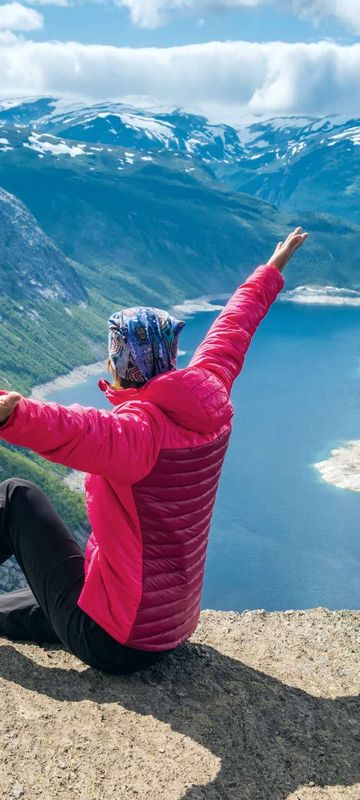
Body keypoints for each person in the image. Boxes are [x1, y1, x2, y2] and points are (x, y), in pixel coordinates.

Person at [0, 227, 308, 674]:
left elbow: (70, 429)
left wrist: (15, 414)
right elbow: (233, 330)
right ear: (169, 356)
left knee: (15, 497)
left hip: (114, 638)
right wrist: (269, 272)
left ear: (120, 364)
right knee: (13, 608)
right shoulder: (210, 396)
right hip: (165, 626)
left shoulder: (137, 434)